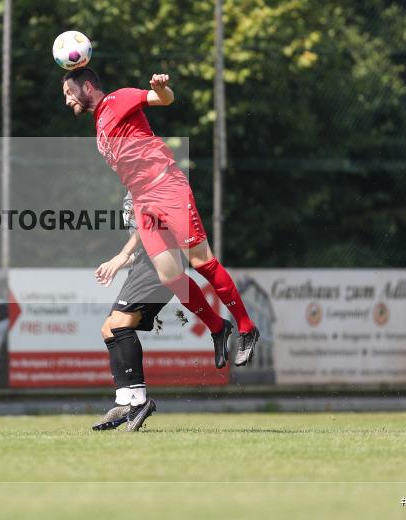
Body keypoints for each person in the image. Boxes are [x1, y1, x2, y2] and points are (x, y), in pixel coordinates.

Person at [62, 67, 259, 375]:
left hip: (166, 187)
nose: (66, 100)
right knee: (169, 276)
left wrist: (161, 87)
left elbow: (163, 99)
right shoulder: (99, 121)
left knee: (201, 261)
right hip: (143, 201)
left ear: (87, 86)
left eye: (68, 93)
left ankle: (247, 328)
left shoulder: (119, 98)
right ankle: (219, 327)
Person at [91, 192, 233, 432]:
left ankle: (138, 401)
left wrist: (121, 256)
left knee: (120, 325)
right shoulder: (132, 183)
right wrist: (117, 263)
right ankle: (125, 400)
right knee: (108, 329)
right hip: (144, 264)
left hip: (157, 265)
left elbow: (150, 228)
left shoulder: (146, 182)